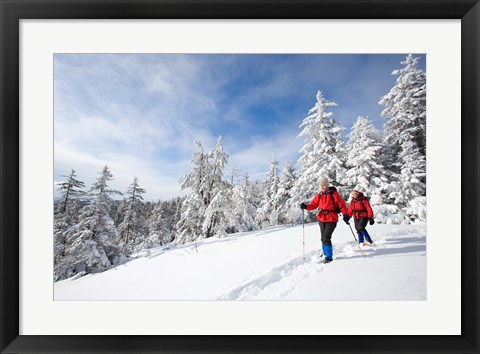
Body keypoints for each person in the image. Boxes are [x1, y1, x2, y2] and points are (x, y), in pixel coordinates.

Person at [300, 177, 348, 264]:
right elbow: (314, 204)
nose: (322, 187)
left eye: (324, 185)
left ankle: (329, 257)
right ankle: (325, 253)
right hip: (322, 218)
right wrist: (306, 206)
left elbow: (342, 205)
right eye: (321, 185)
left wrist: (345, 215)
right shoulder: (320, 195)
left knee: (326, 238)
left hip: (332, 218)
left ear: (327, 185)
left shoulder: (334, 194)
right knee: (323, 238)